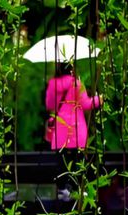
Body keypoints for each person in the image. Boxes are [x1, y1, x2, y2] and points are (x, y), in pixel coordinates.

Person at [45, 63, 102, 200]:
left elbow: (49, 105)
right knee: (78, 160)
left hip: (60, 128)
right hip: (76, 128)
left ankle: (62, 189)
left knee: (62, 160)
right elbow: (86, 104)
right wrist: (99, 99)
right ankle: (78, 189)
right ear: (71, 69)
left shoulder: (53, 83)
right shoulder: (76, 83)